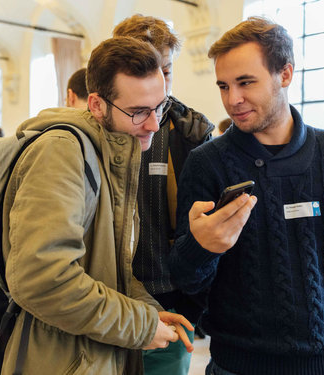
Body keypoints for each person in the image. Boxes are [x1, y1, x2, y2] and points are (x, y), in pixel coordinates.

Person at [169, 17, 324, 375]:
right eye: (223, 85)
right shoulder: (206, 163)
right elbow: (187, 281)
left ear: (284, 75)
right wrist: (201, 246)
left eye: (245, 83)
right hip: (237, 365)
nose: (231, 99)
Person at [0, 36, 193, 375]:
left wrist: (145, 309)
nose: (153, 124)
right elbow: (42, 280)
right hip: (60, 358)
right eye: (138, 112)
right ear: (97, 105)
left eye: (160, 107)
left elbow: (105, 265)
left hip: (87, 350)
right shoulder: (61, 153)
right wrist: (140, 325)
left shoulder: (111, 153)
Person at [113, 14, 214, 375]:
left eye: (166, 71)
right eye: (145, 70)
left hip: (169, 294)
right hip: (107, 294)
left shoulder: (191, 132)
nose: (158, 82)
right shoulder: (96, 128)